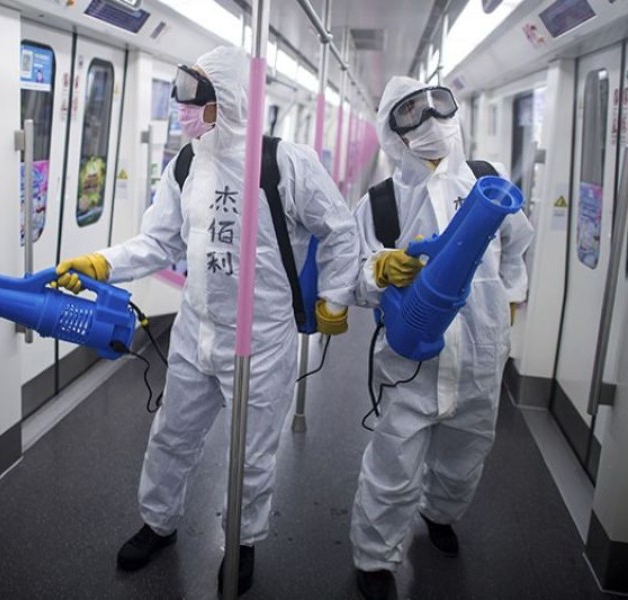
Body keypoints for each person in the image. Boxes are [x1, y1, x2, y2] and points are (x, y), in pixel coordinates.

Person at [54, 46, 359, 596]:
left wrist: (335, 296)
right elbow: (159, 241)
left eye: (194, 97)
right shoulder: (186, 165)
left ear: (230, 99)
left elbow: (338, 230)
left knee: (251, 453)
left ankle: (241, 541)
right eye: (180, 94)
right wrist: (103, 263)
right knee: (172, 433)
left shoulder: (285, 163)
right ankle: (159, 522)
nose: (183, 108)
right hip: (197, 328)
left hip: (261, 337)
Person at [349, 77, 534, 600]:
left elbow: (517, 247)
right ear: (394, 132)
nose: (431, 119)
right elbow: (353, 277)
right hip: (410, 362)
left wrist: (509, 299)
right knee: (393, 465)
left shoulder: (486, 181)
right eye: (411, 112)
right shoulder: (380, 203)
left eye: (438, 104)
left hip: (479, 356)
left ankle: (440, 514)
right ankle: (374, 558)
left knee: (466, 455)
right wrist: (379, 270)